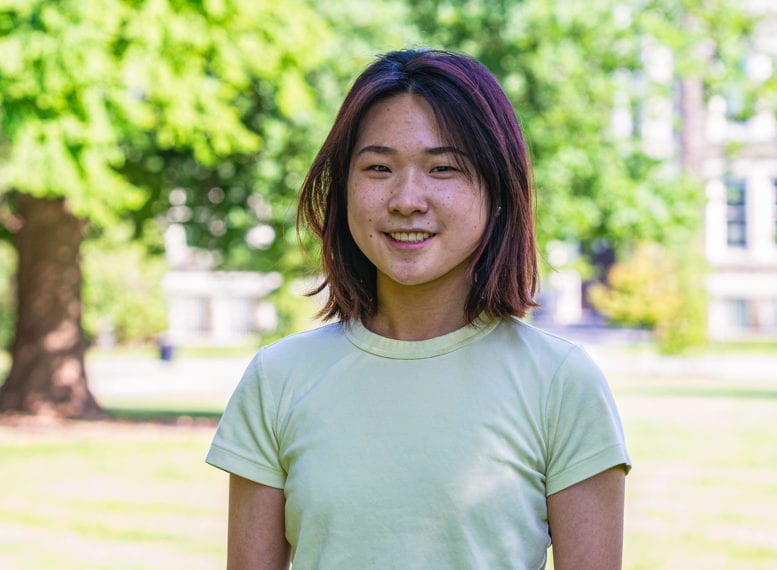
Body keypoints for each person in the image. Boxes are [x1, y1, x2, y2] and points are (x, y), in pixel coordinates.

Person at [206, 48, 631, 569]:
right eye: (379, 167)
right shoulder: (278, 379)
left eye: (443, 168)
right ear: (343, 189)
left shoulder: (562, 383)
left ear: (497, 188)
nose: (408, 198)